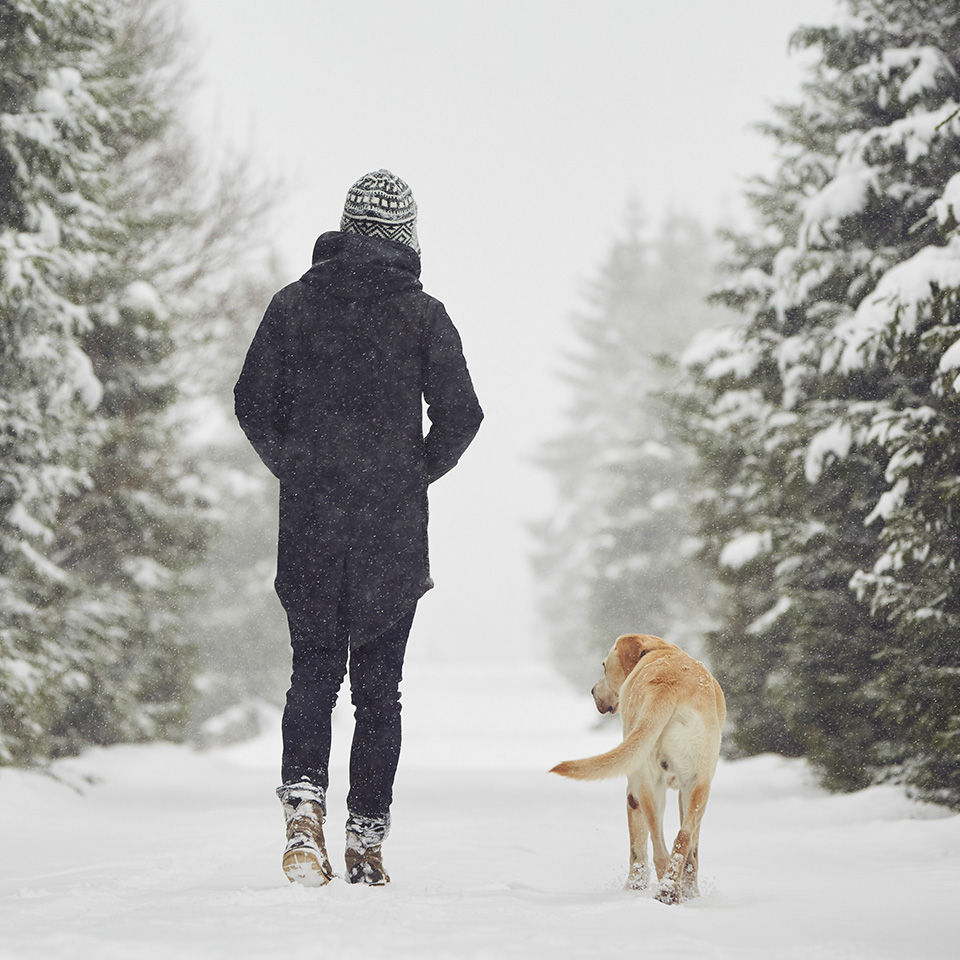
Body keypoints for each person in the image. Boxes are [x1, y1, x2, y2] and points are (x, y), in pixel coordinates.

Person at [234, 170, 483, 887]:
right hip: (391, 533)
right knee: (380, 691)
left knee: (311, 672)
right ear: (406, 239)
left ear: (344, 228)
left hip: (311, 524)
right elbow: (463, 415)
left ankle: (303, 818)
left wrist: (298, 465)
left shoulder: (294, 305)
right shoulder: (425, 316)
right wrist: (409, 476)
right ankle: (366, 841)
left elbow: (253, 401)